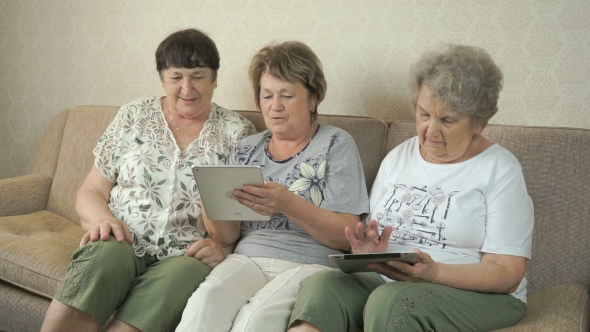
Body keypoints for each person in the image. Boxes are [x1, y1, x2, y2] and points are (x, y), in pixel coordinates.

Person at [288, 44, 535, 332]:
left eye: (447, 120)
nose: (430, 130)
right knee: (324, 285)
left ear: (479, 122)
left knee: (392, 301)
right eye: (424, 114)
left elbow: (507, 273)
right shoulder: (399, 157)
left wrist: (434, 273)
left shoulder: (500, 168)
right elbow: (373, 231)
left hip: (482, 297)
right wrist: (367, 250)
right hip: (394, 283)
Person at [40, 28, 256, 332]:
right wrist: (103, 220)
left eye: (198, 76)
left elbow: (239, 224)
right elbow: (90, 192)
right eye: (176, 76)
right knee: (102, 260)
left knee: (178, 279)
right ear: (162, 78)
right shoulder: (134, 115)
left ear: (215, 78)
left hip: (186, 253)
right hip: (123, 239)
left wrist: (224, 249)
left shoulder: (237, 133)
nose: (187, 87)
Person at [176, 41, 370, 332]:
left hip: (310, 264)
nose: (275, 106)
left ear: (313, 98)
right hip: (248, 258)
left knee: (254, 321)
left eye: (287, 95)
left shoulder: (335, 143)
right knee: (204, 304)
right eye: (267, 96)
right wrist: (211, 199)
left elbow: (347, 236)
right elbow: (226, 235)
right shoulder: (244, 150)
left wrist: (288, 204)